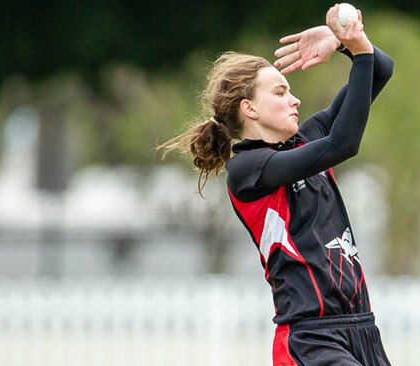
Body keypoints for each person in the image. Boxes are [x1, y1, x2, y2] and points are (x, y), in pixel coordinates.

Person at [160, 5, 394, 365]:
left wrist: (350, 42)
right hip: (311, 340)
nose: (295, 99)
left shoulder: (304, 139)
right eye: (280, 92)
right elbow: (344, 144)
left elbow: (380, 69)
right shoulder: (248, 168)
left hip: (362, 329)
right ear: (249, 109)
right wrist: (359, 53)